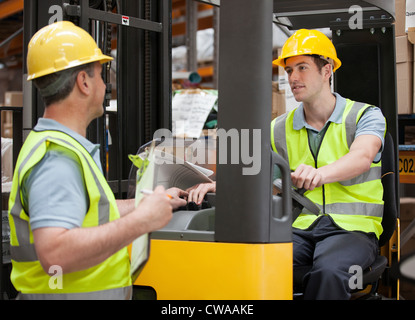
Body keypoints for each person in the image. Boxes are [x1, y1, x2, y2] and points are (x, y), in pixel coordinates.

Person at [7, 21, 187, 300]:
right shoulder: (57, 157)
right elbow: (56, 253)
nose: (105, 85)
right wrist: (142, 220)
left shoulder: (63, 148)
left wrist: (144, 203)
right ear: (84, 82)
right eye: (102, 76)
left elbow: (90, 211)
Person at [271, 29, 385, 299]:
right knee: (257, 261)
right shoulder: (277, 128)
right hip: (300, 228)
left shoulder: (365, 116)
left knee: (329, 272)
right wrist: (212, 185)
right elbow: (256, 173)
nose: (293, 78)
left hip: (354, 228)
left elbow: (362, 157)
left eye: (302, 67)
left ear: (327, 71)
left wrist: (319, 174)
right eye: (289, 70)